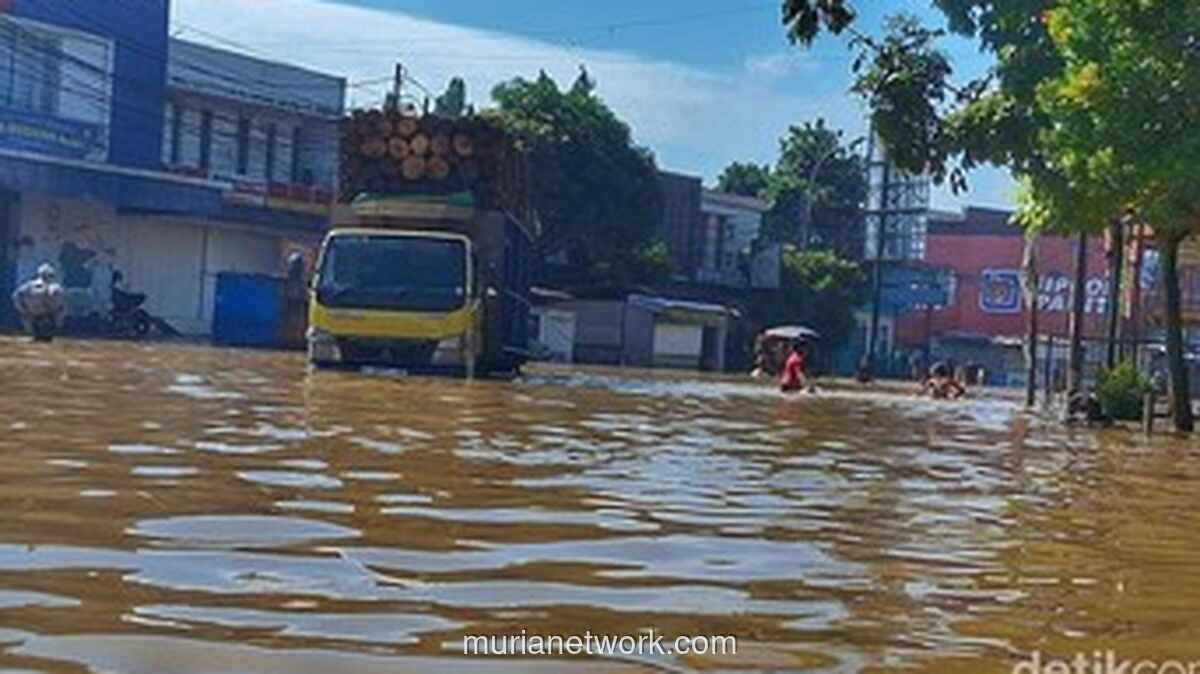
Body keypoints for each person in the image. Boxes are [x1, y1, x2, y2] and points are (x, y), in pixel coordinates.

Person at [12, 263, 66, 342]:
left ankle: (43, 332)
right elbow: (17, 296)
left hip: (46, 317)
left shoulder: (29, 286)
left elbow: (16, 296)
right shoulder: (30, 286)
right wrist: (24, 310)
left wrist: (23, 310)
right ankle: (38, 332)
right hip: (36, 316)